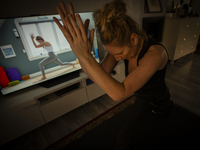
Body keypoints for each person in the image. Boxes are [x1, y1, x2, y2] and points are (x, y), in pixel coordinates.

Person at [54, 0, 174, 149]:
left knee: (124, 139)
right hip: (141, 102)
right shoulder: (120, 48)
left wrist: (86, 57)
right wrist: (80, 53)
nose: (117, 58)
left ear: (134, 38)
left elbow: (120, 93)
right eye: (113, 54)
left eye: (120, 53)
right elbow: (96, 76)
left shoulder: (155, 54)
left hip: (158, 106)